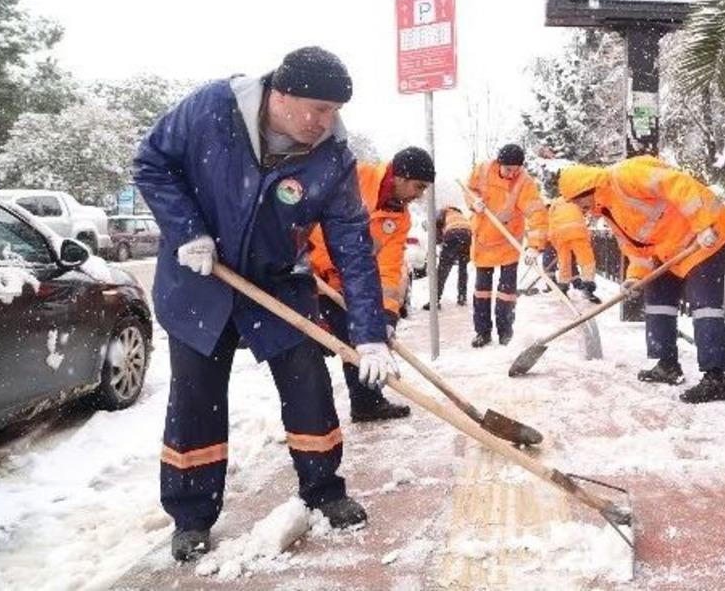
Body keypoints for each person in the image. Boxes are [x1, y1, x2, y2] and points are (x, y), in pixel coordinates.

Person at [134, 47, 398, 562]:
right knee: (196, 400)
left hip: (278, 283)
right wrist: (187, 231)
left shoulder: (332, 157)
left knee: (308, 384)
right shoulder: (213, 109)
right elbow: (151, 162)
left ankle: (324, 491)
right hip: (199, 277)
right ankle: (191, 516)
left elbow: (352, 246)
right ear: (282, 94)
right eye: (319, 109)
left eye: (335, 111)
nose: (327, 121)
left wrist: (369, 334)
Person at [558, 156, 725, 403]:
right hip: (671, 251)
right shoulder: (608, 210)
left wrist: (704, 224)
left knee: (704, 305)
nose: (580, 209)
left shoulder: (626, 176)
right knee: (658, 301)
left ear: (586, 190)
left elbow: (679, 184)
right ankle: (667, 365)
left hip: (705, 239)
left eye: (577, 202)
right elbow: (636, 249)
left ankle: (716, 378)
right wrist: (634, 277)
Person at [309, 146, 433, 422]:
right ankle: (312, 419)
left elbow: (388, 270)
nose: (420, 195)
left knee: (361, 338)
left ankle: (367, 403)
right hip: (308, 272)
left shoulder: (400, 218)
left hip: (347, 282)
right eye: (418, 186)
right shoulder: (355, 176)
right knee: (305, 351)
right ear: (400, 177)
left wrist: (387, 315)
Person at [464, 144, 547, 347]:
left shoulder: (524, 182)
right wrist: (474, 203)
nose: (511, 174)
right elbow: (469, 189)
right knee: (482, 291)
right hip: (484, 240)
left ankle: (505, 334)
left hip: (509, 243)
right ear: (499, 163)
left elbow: (536, 213)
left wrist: (534, 245)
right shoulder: (483, 170)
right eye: (508, 169)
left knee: (507, 293)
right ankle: (482, 333)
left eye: (516, 170)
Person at [548, 196, 601, 303]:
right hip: (577, 232)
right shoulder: (577, 196)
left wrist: (552, 240)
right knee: (586, 260)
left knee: (564, 261)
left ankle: (563, 287)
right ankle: (588, 287)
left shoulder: (555, 203)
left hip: (560, 234)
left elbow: (550, 221)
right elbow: (592, 209)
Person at [424, 205, 472, 309]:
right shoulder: (459, 215)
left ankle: (435, 300)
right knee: (463, 268)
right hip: (468, 235)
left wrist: (437, 242)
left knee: (443, 269)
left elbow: (437, 231)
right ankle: (462, 297)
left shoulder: (442, 212)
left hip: (453, 234)